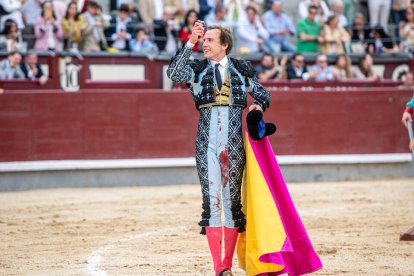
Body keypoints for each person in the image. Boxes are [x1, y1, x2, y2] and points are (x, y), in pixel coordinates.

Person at [167, 23, 270, 276]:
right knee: (211, 203)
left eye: (210, 40)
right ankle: (220, 268)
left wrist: (257, 106)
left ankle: (227, 261)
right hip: (206, 145)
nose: (205, 43)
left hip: (233, 145)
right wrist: (190, 41)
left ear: (225, 45)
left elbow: (262, 94)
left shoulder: (241, 69)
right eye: (204, 39)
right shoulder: (198, 69)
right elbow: (173, 73)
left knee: (231, 203)